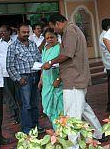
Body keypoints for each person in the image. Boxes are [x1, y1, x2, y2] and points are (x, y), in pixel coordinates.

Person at [42, 13, 105, 146]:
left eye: (53, 28)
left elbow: (67, 54)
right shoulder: (72, 29)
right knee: (83, 109)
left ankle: (73, 144)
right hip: (76, 77)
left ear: (58, 23)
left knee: (72, 114)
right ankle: (99, 132)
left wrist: (50, 62)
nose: (54, 31)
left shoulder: (70, 31)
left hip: (74, 79)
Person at [6, 23, 43, 134]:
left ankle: (36, 127)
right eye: (24, 32)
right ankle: (27, 129)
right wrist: (18, 79)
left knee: (35, 104)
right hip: (24, 79)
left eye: (28, 32)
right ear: (18, 32)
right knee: (26, 105)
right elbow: (9, 66)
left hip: (35, 77)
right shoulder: (13, 47)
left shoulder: (32, 44)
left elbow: (39, 58)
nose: (26, 34)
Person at [0, 25, 20, 125]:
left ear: (9, 32)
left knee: (19, 95)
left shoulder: (16, 42)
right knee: (9, 97)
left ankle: (21, 115)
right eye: (0, 32)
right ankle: (14, 116)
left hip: (17, 73)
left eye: (4, 31)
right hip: (4, 74)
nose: (2, 33)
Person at [37, 28, 63, 129]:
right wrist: (41, 79)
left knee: (58, 107)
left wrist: (58, 79)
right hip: (46, 82)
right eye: (47, 38)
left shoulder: (60, 48)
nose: (50, 39)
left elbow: (64, 66)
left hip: (56, 82)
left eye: (52, 37)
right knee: (47, 105)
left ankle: (61, 130)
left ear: (57, 37)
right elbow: (43, 65)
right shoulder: (45, 48)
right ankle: (56, 128)